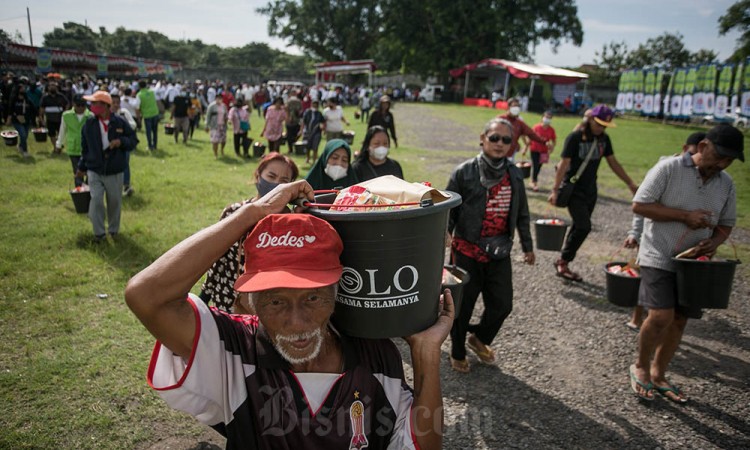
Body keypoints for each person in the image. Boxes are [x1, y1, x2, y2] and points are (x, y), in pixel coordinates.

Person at [124, 181, 454, 449]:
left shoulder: (375, 358)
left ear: (338, 293)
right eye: (276, 302)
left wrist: (425, 354)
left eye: (313, 297)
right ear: (248, 302)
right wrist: (252, 213)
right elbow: (147, 296)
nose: (297, 323)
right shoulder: (233, 351)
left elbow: (421, 445)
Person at [628, 124, 743, 403]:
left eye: (728, 160)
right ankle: (641, 366)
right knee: (660, 316)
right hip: (658, 253)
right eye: (719, 155)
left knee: (680, 320)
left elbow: (727, 224)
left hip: (694, 264)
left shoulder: (725, 184)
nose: (722, 164)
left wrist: (714, 243)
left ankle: (659, 373)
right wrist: (684, 216)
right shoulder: (668, 169)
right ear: (703, 147)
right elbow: (640, 205)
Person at [445, 117, 535, 373]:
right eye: (494, 138)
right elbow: (449, 206)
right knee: (463, 307)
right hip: (466, 251)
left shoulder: (515, 173)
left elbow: (522, 213)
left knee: (502, 305)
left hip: (499, 251)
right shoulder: (464, 171)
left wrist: (527, 246)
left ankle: (480, 339)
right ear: (482, 139)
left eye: (506, 140)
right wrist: (446, 233)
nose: (500, 144)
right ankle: (457, 350)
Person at [623, 131, 706, 332]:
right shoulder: (664, 169)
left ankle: (661, 323)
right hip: (653, 240)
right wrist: (635, 232)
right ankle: (637, 317)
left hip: (685, 245)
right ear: (686, 149)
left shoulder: (705, 176)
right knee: (646, 279)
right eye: (695, 153)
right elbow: (642, 205)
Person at [547, 104, 638, 282]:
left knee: (579, 226)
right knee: (584, 226)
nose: (601, 128)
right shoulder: (575, 138)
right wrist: (555, 190)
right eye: (599, 124)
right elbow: (564, 164)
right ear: (590, 120)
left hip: (591, 190)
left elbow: (613, 162)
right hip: (574, 189)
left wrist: (630, 183)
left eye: (605, 125)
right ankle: (563, 261)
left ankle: (563, 260)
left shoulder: (604, 140)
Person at [199, 152, 299, 313]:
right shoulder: (234, 213)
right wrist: (204, 296)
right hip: (229, 299)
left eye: (284, 181)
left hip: (271, 307)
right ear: (258, 176)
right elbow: (217, 259)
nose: (276, 184)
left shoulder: (291, 222)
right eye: (271, 176)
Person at [75, 91, 137, 241]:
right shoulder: (89, 124)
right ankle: (99, 233)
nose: (92, 106)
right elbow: (85, 148)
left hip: (114, 170)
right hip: (94, 169)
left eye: (95, 104)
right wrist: (81, 168)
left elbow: (133, 140)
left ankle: (113, 230)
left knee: (114, 202)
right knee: (96, 199)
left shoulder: (120, 122)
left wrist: (121, 142)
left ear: (105, 106)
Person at [56, 94, 93, 187]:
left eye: (83, 105)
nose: (80, 108)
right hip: (73, 149)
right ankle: (79, 193)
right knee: (77, 173)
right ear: (73, 104)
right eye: (78, 105)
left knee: (90, 173)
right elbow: (62, 130)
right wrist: (59, 144)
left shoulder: (91, 116)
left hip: (88, 149)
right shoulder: (66, 115)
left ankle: (89, 192)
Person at [110, 94, 138, 197]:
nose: (116, 105)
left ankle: (126, 185)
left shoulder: (124, 112)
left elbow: (133, 124)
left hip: (124, 143)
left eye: (118, 102)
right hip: (111, 145)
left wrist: (123, 125)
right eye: (114, 102)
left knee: (125, 163)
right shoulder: (106, 115)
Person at [525, 111, 557, 191]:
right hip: (534, 149)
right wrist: (525, 148)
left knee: (539, 166)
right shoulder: (536, 127)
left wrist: (552, 148)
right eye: (546, 117)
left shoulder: (551, 130)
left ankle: (533, 180)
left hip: (544, 151)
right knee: (535, 165)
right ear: (542, 118)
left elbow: (553, 140)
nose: (547, 119)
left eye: (549, 118)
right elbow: (530, 138)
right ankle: (534, 182)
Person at [6, 81, 35, 158]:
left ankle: (20, 146)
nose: (23, 89)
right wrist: (9, 119)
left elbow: (33, 109)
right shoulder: (14, 100)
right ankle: (25, 151)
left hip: (26, 120)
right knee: (22, 134)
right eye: (21, 88)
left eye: (23, 88)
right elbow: (10, 110)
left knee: (25, 136)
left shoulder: (27, 100)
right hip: (16, 120)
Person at [39, 82, 69, 153]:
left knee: (60, 134)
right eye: (51, 86)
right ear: (48, 87)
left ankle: (59, 145)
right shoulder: (45, 97)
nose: (52, 87)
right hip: (50, 119)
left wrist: (65, 112)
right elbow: (42, 108)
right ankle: (55, 147)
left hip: (60, 119)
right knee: (52, 134)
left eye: (54, 86)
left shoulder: (61, 96)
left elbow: (67, 103)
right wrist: (41, 118)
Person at [137, 80, 160, 151]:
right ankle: (155, 145)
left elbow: (137, 106)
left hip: (147, 115)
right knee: (155, 131)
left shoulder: (139, 95)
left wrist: (139, 117)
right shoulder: (152, 91)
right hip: (155, 113)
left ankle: (150, 146)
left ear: (139, 86)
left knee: (149, 132)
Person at [302, 99, 324, 164]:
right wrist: (301, 131)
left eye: (316, 105)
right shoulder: (307, 112)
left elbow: (323, 122)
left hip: (316, 132)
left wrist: (323, 128)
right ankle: (308, 158)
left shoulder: (319, 114)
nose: (315, 106)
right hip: (308, 132)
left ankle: (314, 160)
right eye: (313, 105)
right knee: (307, 146)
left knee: (315, 147)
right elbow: (303, 122)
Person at [285, 90, 303, 154]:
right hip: (292, 121)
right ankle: (291, 148)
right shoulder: (297, 101)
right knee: (291, 135)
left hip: (294, 121)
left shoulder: (290, 101)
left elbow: (300, 111)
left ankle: (292, 148)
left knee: (292, 135)